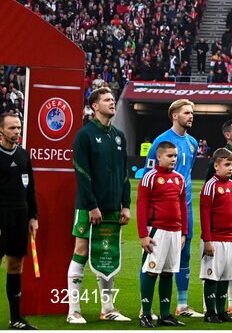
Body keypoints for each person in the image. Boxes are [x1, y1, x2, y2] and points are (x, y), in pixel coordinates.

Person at [66, 87, 132, 324]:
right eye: (107, 100)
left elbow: (124, 172)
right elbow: (81, 173)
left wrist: (126, 204)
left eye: (113, 99)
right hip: (88, 207)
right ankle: (73, 310)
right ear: (94, 106)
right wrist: (92, 205)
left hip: (113, 208)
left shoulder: (119, 136)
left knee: (108, 254)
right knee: (81, 251)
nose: (112, 102)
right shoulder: (84, 135)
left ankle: (108, 308)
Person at [145, 99, 201, 318]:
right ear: (175, 116)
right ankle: (146, 307)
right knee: (157, 257)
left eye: (192, 112)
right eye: (187, 112)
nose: (191, 116)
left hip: (184, 207)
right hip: (162, 210)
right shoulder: (161, 142)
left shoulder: (193, 143)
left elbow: (187, 172)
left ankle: (183, 305)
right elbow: (148, 175)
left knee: (184, 253)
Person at [136, 142, 188, 328]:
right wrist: (143, 234)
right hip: (157, 231)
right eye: (169, 156)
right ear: (159, 157)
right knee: (151, 271)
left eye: (175, 156)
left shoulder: (179, 179)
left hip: (175, 232)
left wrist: (184, 233)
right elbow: (141, 205)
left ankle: (165, 315)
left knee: (168, 273)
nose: (173, 159)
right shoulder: (150, 177)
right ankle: (146, 314)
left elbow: (183, 206)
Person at [203, 118, 232, 315]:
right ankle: (210, 307)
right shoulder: (219, 156)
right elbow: (208, 192)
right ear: (227, 135)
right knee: (215, 270)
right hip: (218, 228)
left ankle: (231, 303)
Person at [199, 148, 232, 325]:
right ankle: (210, 312)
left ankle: (222, 311)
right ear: (216, 166)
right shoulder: (210, 186)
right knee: (213, 277)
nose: (230, 168)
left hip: (231, 240)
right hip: (215, 240)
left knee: (226, 276)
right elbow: (205, 214)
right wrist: (208, 240)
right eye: (227, 164)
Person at [0, 112, 39, 330]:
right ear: (1, 130)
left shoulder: (24, 156)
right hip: (1, 217)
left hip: (20, 217)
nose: (16, 131)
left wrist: (33, 216)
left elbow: (30, 188)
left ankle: (16, 318)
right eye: (12, 128)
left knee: (15, 267)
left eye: (18, 128)